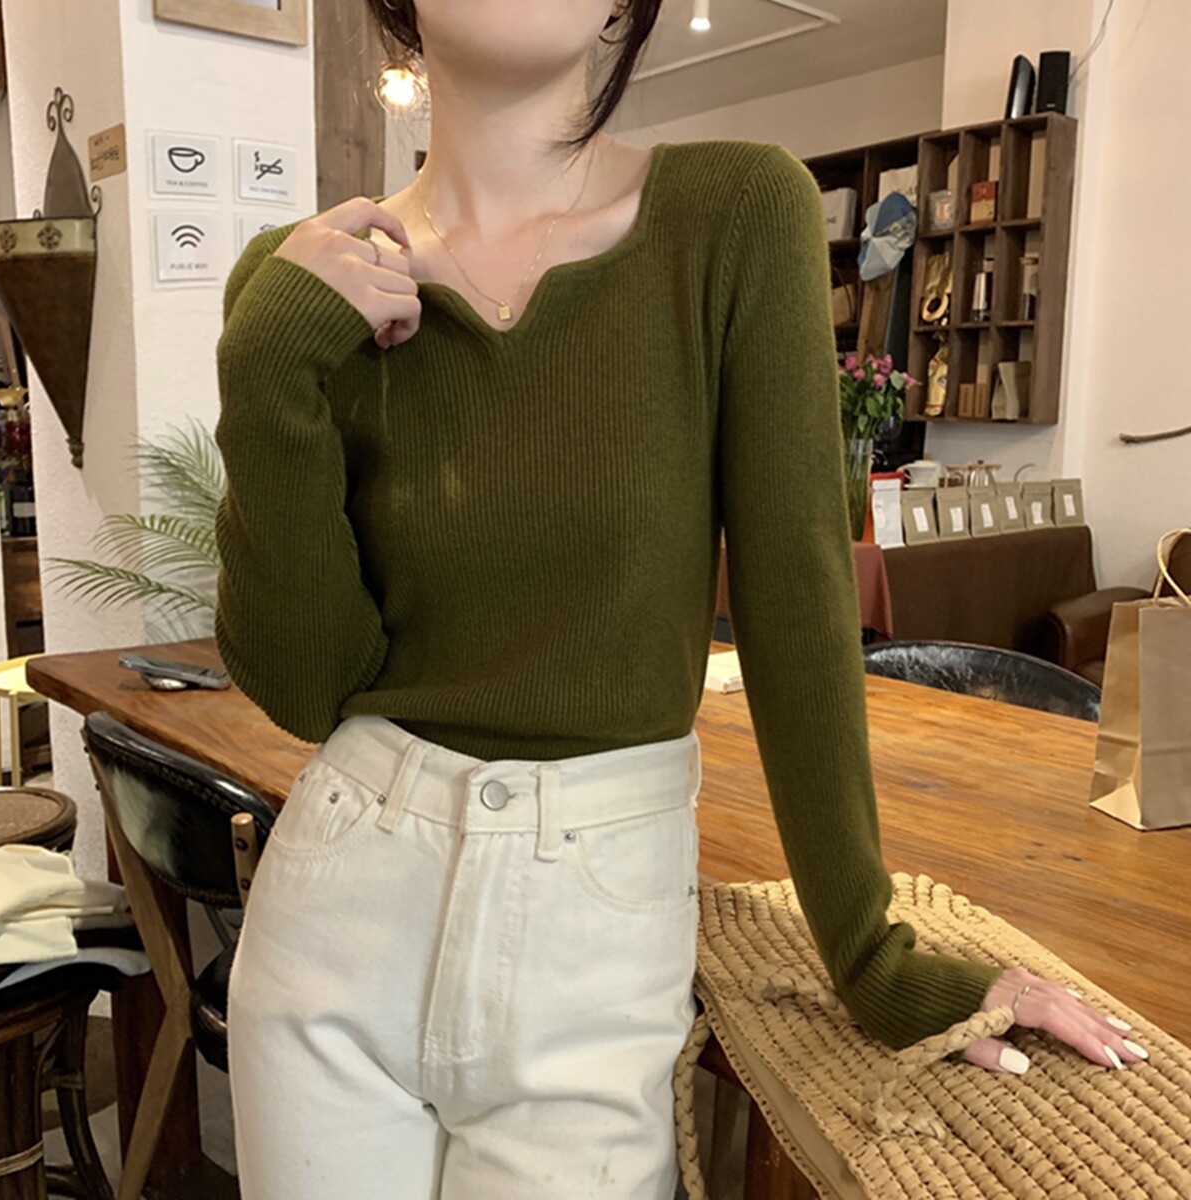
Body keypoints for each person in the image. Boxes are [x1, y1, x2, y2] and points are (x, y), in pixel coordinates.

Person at [212, 2, 1147, 1196]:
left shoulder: (733, 213)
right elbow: (307, 687)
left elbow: (799, 605)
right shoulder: (301, 282)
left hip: (594, 945)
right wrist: (267, 366)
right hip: (339, 917)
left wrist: (872, 958)